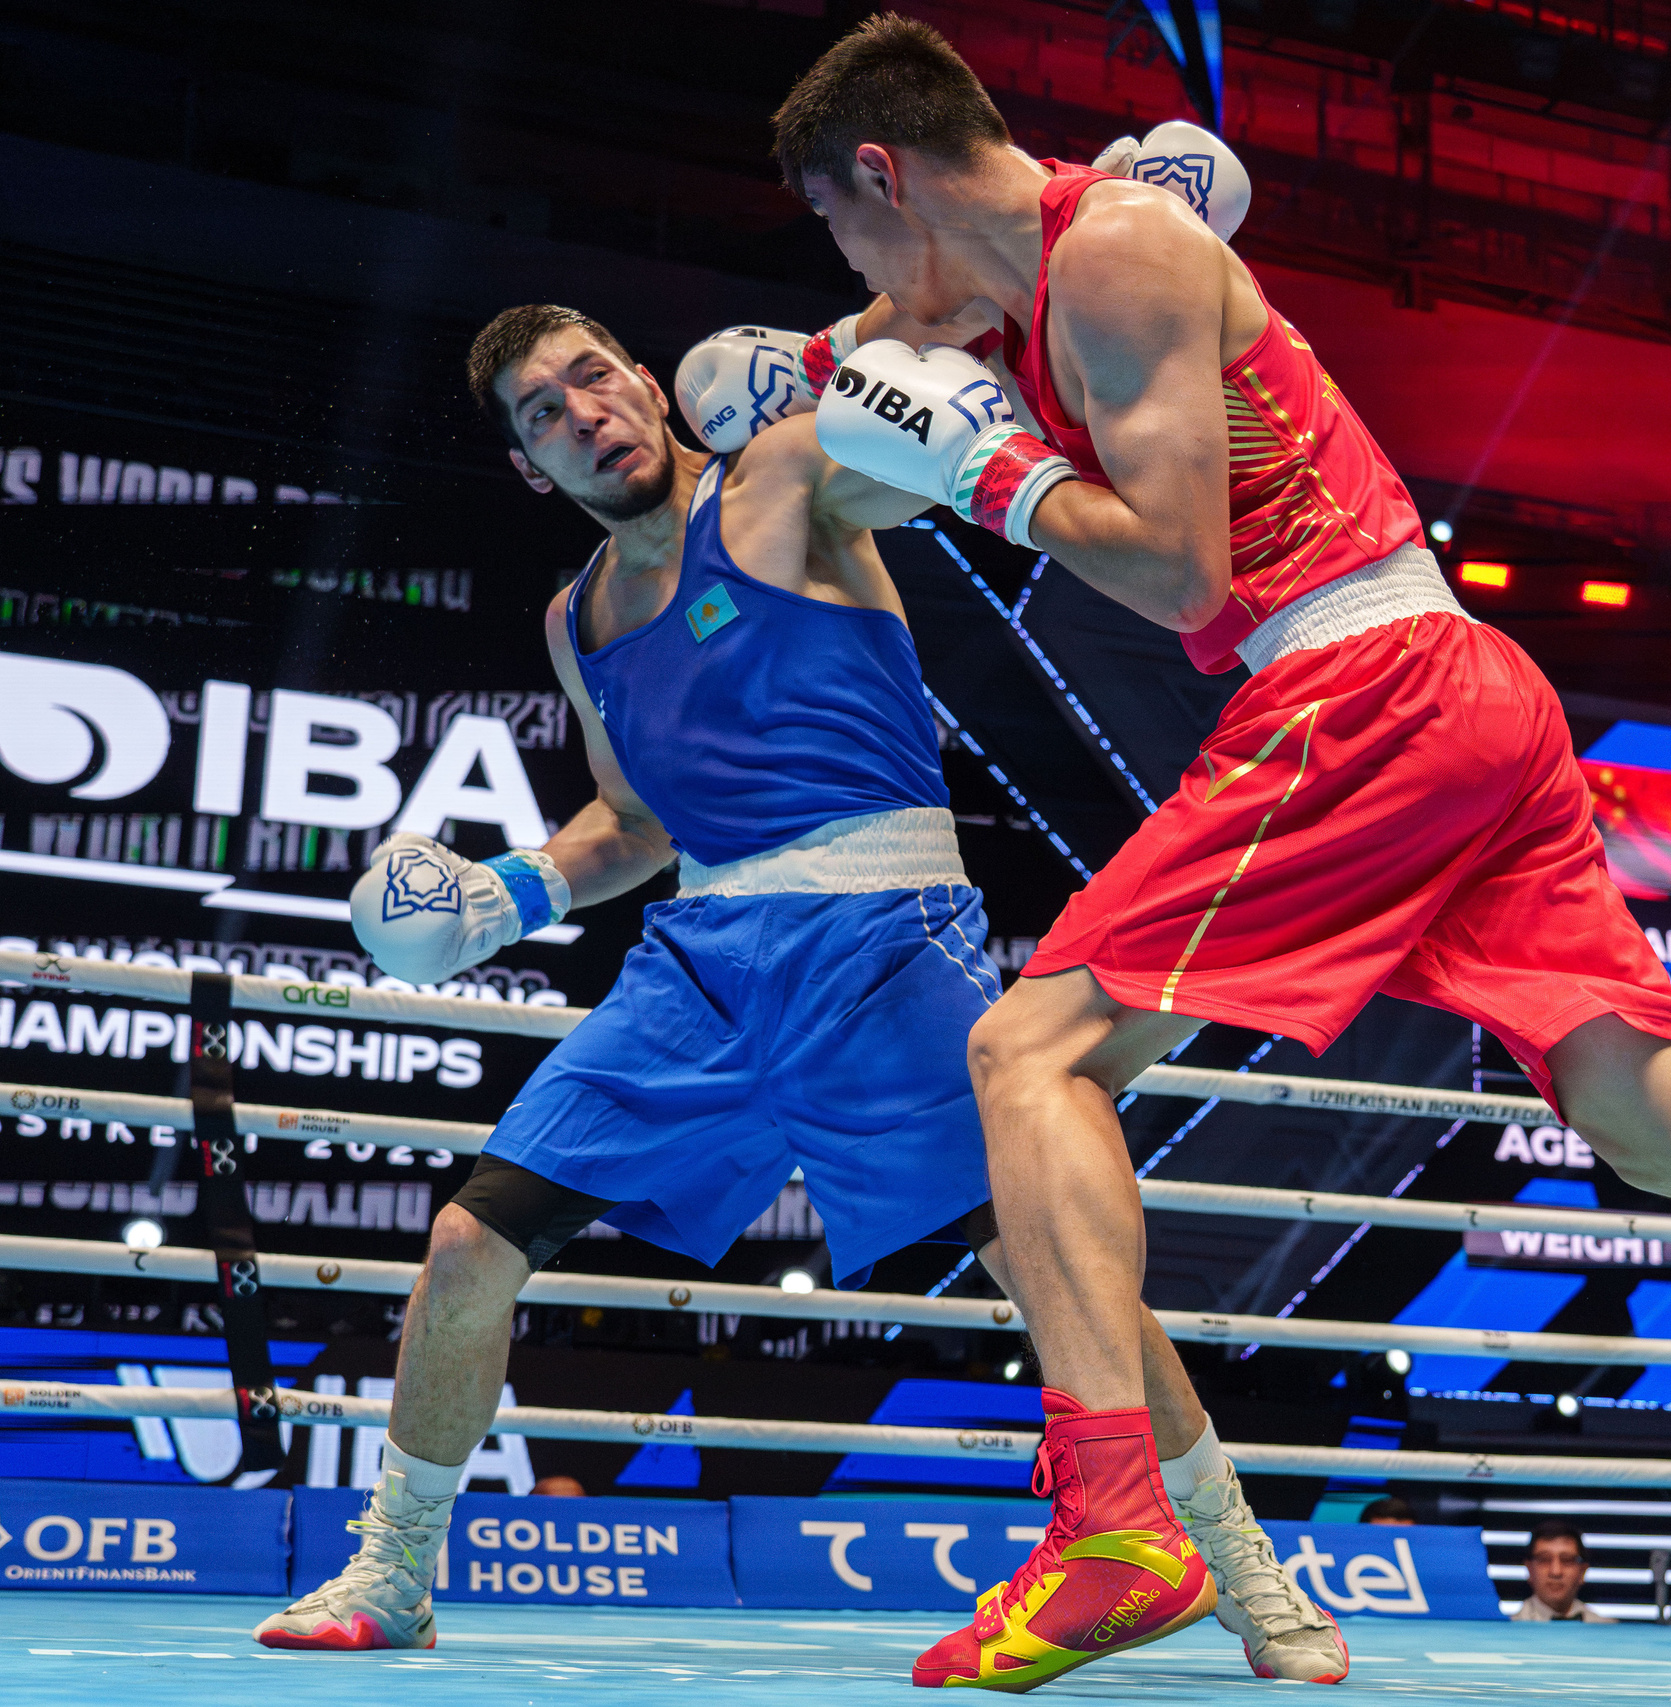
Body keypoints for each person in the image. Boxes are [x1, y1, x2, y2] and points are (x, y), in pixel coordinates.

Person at [772, 17, 1671, 1689]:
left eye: (833, 220)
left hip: (1355, 685)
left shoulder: (1116, 257)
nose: (850, 267)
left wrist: (990, 470)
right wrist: (789, 372)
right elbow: (880, 355)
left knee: (1029, 1051)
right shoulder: (1027, 283)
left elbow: (1170, 572)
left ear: (882, 171)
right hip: (1454, 697)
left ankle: (1112, 1521)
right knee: (1655, 1120)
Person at [248, 307, 1347, 1687]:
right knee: (474, 1239)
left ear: (648, 385)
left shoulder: (779, 478)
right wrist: (507, 893)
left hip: (884, 939)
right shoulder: (573, 617)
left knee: (1058, 1274)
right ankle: (393, 1571)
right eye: (543, 412)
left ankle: (1248, 1576)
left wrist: (916, 349)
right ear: (534, 467)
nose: (583, 411)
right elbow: (636, 820)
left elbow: (953, 454)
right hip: (699, 962)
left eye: (593, 376)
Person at [1510, 1522, 1610, 1623]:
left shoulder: (1608, 1630)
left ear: (1582, 1571)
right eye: (1544, 1559)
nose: (1555, 1572)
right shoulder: (1508, 1631)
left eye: (1567, 1560)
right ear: (1530, 1569)